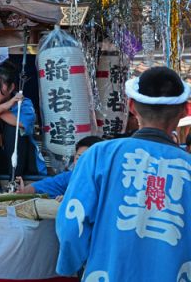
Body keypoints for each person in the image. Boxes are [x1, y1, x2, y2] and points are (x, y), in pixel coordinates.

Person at [56, 67, 191, 281]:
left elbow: (72, 226)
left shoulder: (98, 155)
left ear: (131, 106)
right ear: (185, 110)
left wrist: (69, 265)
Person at [0, 60, 46, 193]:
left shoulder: (24, 103)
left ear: (11, 88)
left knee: (13, 128)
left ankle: (14, 181)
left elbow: (22, 123)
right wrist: (5, 106)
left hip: (21, 162)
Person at [16, 135, 103, 199]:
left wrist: (72, 199)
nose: (81, 163)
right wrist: (23, 191)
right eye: (78, 158)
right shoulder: (70, 177)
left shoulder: (107, 181)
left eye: (87, 159)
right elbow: (44, 186)